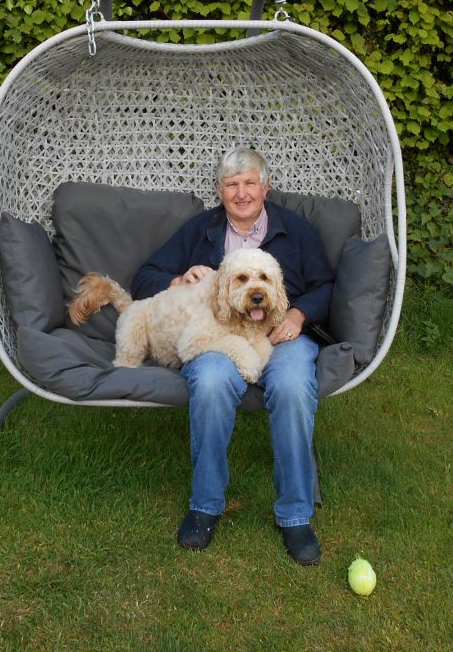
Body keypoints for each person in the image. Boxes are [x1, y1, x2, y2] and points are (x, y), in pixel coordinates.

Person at [131, 148, 334, 565]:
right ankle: (205, 505)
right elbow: (144, 277)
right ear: (219, 190)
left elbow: (326, 285)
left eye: (249, 183)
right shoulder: (201, 230)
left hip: (281, 334)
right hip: (218, 336)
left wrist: (298, 314)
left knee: (293, 386)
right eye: (231, 185)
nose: (242, 194)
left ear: (265, 187)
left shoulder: (295, 230)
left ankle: (295, 514)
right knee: (209, 382)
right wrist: (178, 278)